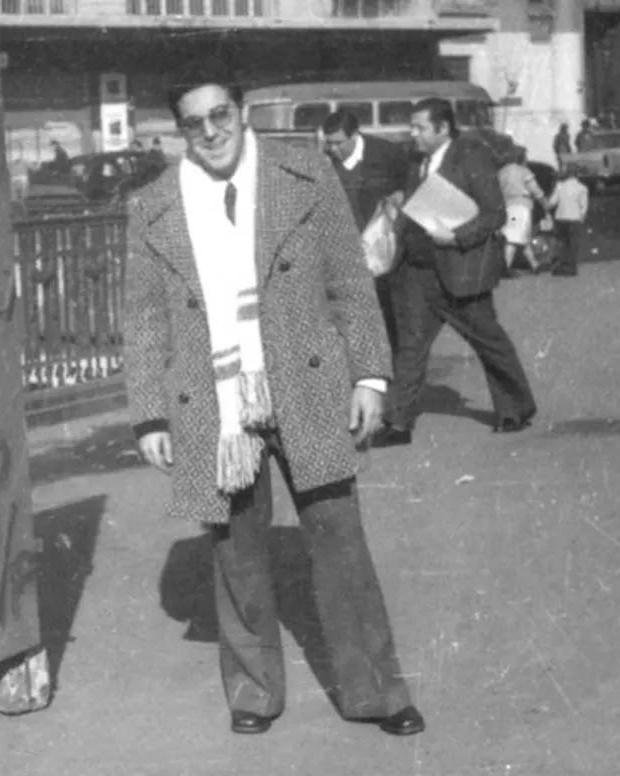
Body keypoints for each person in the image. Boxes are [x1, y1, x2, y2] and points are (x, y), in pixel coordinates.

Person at [122, 73, 425, 738]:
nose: (211, 133)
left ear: (242, 112)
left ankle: (378, 692)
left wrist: (371, 377)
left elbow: (349, 281)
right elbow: (143, 317)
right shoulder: (154, 205)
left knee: (340, 538)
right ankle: (254, 691)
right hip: (215, 403)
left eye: (221, 114)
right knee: (236, 551)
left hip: (308, 383)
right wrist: (149, 414)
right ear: (181, 131)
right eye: (194, 123)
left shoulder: (305, 173)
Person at [374, 97, 537, 447]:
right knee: (410, 348)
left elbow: (494, 213)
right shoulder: (416, 160)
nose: (413, 133)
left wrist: (457, 236)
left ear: (443, 128)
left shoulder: (470, 156)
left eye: (420, 128)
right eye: (412, 127)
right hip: (415, 271)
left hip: (459, 271)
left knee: (489, 342)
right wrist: (400, 202)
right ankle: (398, 423)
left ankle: (515, 409)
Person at [320, 108, 410, 363]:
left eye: (339, 143)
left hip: (383, 250)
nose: (333, 149)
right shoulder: (324, 162)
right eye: (329, 143)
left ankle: (392, 362)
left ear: (355, 135)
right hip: (346, 248)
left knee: (387, 309)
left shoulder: (386, 153)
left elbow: (409, 183)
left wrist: (401, 195)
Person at [498, 146, 549, 274]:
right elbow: (536, 191)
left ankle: (535, 265)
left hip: (507, 206)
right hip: (521, 207)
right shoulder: (523, 171)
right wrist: (545, 203)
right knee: (514, 237)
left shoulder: (502, 172)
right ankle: (506, 267)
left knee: (522, 236)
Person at [547, 165, 589, 277]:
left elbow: (552, 203)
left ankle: (562, 264)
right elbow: (584, 207)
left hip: (561, 218)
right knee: (573, 243)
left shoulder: (560, 186)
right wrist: (582, 218)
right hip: (575, 219)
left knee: (563, 242)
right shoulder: (582, 188)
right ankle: (571, 267)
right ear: (577, 175)